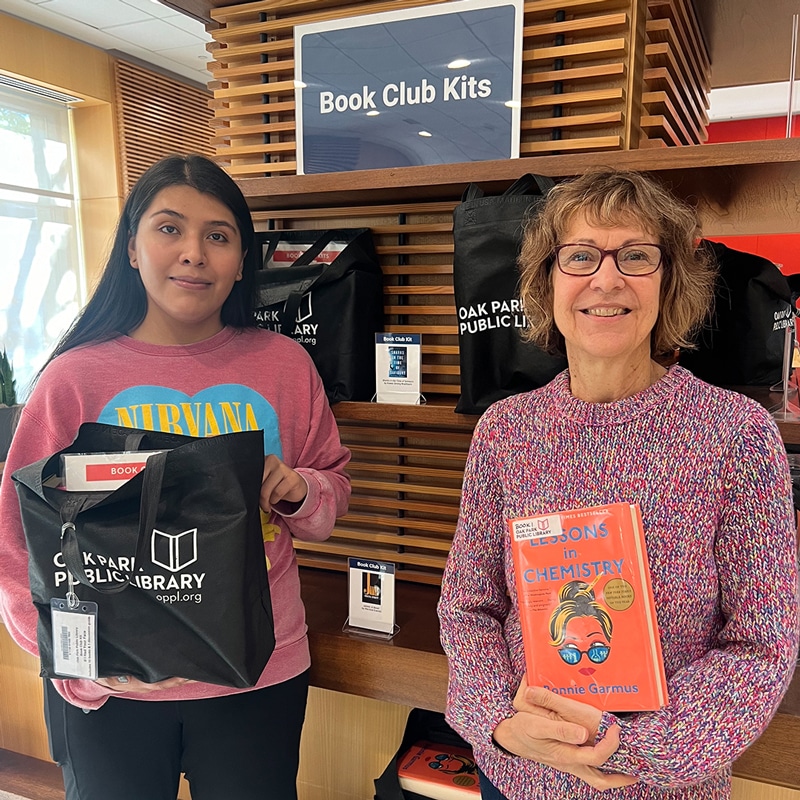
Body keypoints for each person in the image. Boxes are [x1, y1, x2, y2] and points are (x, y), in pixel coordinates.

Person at [437, 169, 800, 799]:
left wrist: (625, 747)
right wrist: (496, 722)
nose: (607, 279)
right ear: (546, 281)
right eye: (579, 256)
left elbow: (760, 645)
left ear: (670, 282)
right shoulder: (505, 431)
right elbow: (470, 608)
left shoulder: (736, 434)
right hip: (520, 778)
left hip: (663, 787)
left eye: (636, 256)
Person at [0, 154, 351, 800]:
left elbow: (331, 492)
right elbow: (15, 546)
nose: (193, 253)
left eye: (217, 236)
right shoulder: (72, 380)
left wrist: (299, 489)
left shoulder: (284, 366)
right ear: (132, 247)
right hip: (113, 692)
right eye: (169, 229)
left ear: (242, 259)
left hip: (258, 675)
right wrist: (82, 669)